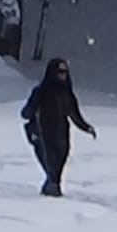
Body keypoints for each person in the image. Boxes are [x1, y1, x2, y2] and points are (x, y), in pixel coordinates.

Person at [21, 57, 97, 197]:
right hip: (44, 132)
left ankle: (51, 190)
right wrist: (31, 113)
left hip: (62, 134)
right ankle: (53, 196)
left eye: (65, 72)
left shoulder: (67, 93)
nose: (62, 75)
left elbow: (74, 114)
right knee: (50, 164)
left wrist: (86, 128)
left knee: (60, 161)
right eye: (59, 72)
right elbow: (26, 112)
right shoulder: (41, 91)